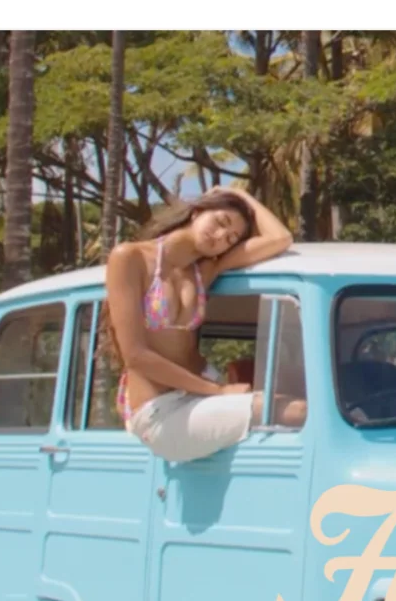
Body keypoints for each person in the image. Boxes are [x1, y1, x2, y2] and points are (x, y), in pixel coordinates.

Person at [102, 187, 295, 461]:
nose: (219, 237)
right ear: (197, 211)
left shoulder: (204, 272)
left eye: (231, 239)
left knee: (291, 409)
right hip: (160, 409)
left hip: (202, 393)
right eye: (220, 222)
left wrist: (239, 195)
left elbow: (281, 238)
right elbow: (135, 356)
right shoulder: (129, 258)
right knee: (295, 410)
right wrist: (218, 390)